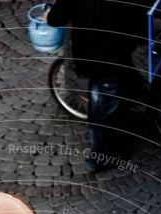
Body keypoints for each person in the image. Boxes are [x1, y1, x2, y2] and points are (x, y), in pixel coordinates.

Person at [45, 0, 149, 172]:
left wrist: (48, 14)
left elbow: (56, 18)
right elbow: (141, 31)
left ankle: (131, 111)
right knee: (104, 107)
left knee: (113, 90)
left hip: (90, 53)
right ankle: (101, 159)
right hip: (112, 58)